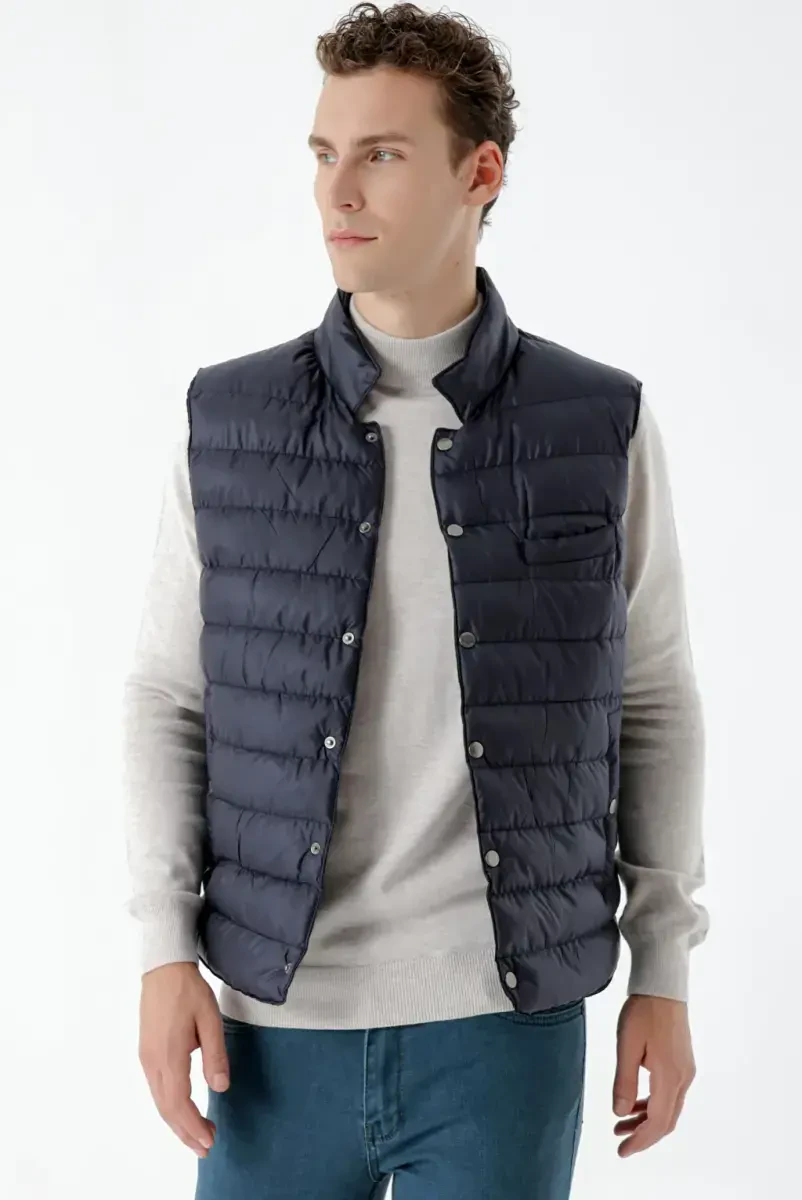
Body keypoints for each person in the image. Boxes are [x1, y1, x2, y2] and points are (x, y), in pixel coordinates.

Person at [122, 4, 709, 1197]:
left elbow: (651, 699)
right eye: (323, 154)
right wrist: (159, 948)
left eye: (381, 154)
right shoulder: (229, 422)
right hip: (270, 1026)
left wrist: (665, 969)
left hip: (504, 1027)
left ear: (478, 173)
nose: (337, 191)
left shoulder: (597, 423)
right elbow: (168, 697)